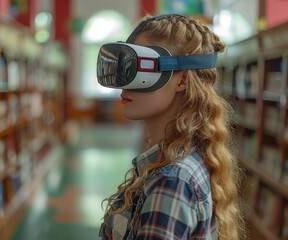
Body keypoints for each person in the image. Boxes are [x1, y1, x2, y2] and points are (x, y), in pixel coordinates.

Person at [96, 14, 245, 240]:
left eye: (137, 70)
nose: (124, 84)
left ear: (182, 80)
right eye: (124, 67)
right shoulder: (179, 163)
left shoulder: (171, 183)